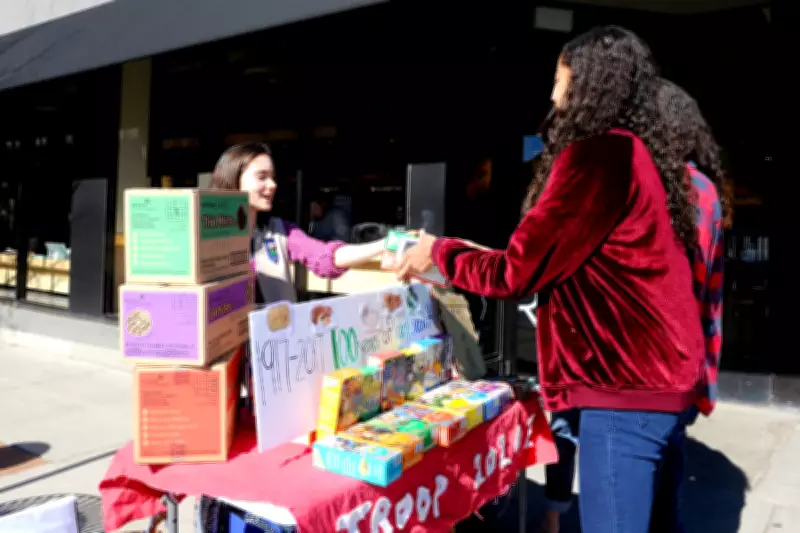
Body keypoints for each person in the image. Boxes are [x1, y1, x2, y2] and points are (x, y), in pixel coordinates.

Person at [392, 26, 705, 533]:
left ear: (590, 85)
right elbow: (559, 258)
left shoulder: (597, 155)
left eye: (560, 79)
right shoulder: (637, 153)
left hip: (623, 390)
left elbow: (517, 271)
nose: (553, 95)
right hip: (659, 385)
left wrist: (438, 252)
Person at [538, 79, 729, 533]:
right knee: (663, 503)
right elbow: (709, 295)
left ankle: (551, 513)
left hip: (623, 375)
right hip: (680, 373)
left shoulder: (636, 186)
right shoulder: (703, 190)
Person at [210, 142, 385, 304]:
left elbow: (326, 257)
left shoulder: (280, 231)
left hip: (274, 335)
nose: (272, 185)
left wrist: (386, 244)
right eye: (262, 177)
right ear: (234, 179)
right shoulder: (205, 237)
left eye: (273, 177)